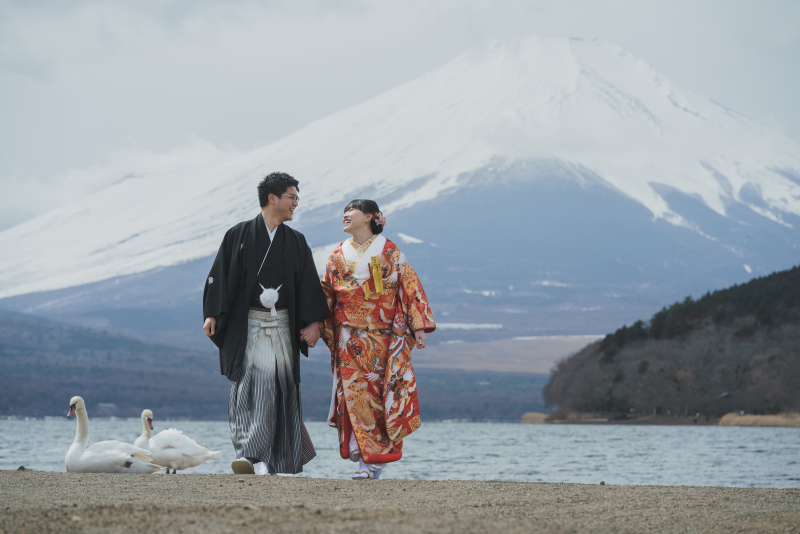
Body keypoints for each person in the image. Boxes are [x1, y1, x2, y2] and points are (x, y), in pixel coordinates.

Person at [202, 172, 330, 475]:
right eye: (292, 197)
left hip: (282, 328)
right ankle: (250, 454)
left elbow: (309, 286)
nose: (296, 204)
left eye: (297, 198)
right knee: (248, 389)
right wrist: (212, 313)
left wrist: (314, 324)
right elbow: (219, 275)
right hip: (249, 327)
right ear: (273, 198)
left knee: (281, 390)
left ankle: (269, 458)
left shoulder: (296, 242)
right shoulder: (239, 235)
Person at [320, 199, 435, 479]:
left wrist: (417, 324)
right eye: (344, 211)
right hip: (349, 338)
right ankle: (364, 458)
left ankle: (373, 463)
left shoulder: (390, 251)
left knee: (381, 397)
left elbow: (409, 286)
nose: (346, 215)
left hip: (382, 339)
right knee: (354, 396)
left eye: (352, 210)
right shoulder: (337, 254)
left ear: (371, 216)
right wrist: (315, 324)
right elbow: (326, 294)